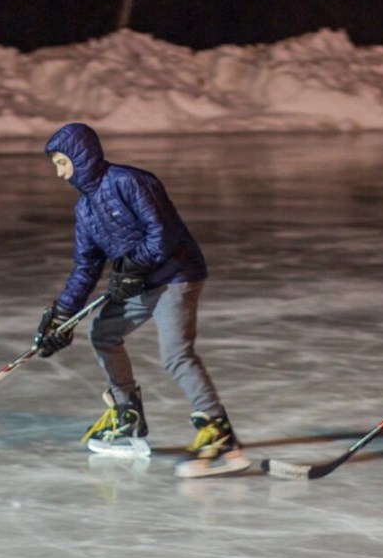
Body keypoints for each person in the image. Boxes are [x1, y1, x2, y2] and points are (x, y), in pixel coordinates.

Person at [32, 122, 250, 478]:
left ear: (79, 156)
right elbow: (86, 268)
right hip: (142, 283)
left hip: (177, 276)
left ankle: (220, 435)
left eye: (61, 162)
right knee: (103, 334)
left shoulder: (130, 182)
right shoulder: (85, 211)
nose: (59, 173)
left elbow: (162, 232)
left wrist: (132, 267)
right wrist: (61, 315)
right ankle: (127, 415)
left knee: (176, 353)